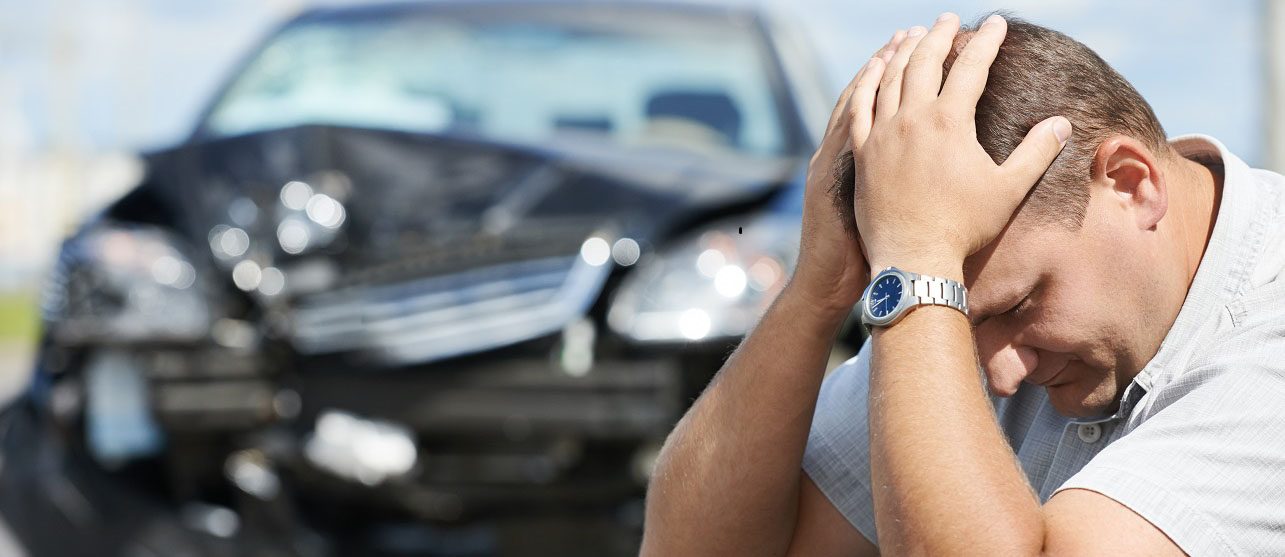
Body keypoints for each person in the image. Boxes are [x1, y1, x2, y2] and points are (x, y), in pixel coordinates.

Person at [641, 12, 1285, 556]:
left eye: (1019, 302)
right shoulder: (951, 291)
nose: (999, 374)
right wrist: (817, 291)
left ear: (1128, 183)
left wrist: (921, 273)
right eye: (966, 323)